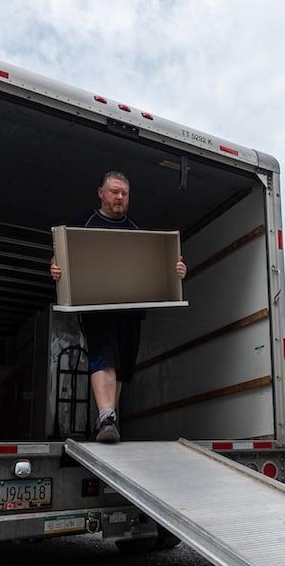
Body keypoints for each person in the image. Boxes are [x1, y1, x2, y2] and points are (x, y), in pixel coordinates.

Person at [51, 171, 186, 443]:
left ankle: (107, 420)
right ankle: (106, 417)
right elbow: (61, 252)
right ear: (101, 192)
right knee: (104, 357)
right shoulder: (84, 224)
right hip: (97, 308)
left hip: (131, 311)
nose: (119, 197)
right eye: (114, 191)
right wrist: (54, 266)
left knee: (122, 366)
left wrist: (177, 270)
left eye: (124, 193)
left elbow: (159, 267)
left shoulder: (138, 231)